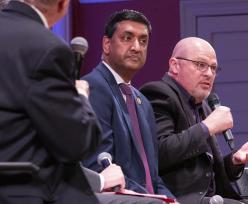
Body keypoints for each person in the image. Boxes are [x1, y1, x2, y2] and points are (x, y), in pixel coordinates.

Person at [140, 37, 248, 204]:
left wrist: (234, 160)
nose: (209, 73)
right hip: (180, 198)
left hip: (212, 197)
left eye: (213, 68)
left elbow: (210, 173)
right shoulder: (159, 93)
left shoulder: (202, 105)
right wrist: (207, 127)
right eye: (201, 65)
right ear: (175, 65)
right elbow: (161, 153)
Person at [0, 0, 101, 203]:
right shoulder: (47, 47)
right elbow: (77, 143)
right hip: (22, 189)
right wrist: (81, 96)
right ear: (63, 4)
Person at [81, 9, 175, 202]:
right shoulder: (93, 87)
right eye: (127, 38)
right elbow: (100, 165)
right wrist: (153, 199)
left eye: (143, 41)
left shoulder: (143, 102)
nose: (136, 47)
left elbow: (153, 177)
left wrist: (171, 200)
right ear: (107, 44)